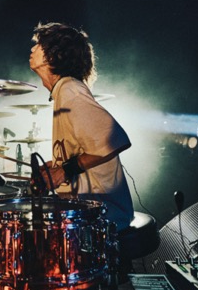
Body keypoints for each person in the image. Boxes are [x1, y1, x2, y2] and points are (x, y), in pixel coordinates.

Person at [29, 22, 134, 231]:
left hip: (103, 217)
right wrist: (57, 166)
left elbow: (116, 141)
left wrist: (64, 171)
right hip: (88, 214)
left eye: (39, 45)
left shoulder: (70, 90)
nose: (32, 49)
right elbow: (85, 151)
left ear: (53, 55)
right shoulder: (63, 91)